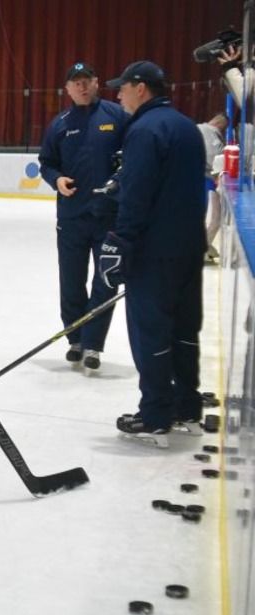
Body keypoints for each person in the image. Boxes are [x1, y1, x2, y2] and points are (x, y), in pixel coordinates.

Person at [99, 61, 207, 446]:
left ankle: (156, 414)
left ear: (141, 88)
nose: (118, 95)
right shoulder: (186, 127)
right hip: (188, 246)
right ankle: (187, 406)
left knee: (151, 332)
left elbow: (138, 194)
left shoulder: (144, 130)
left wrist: (118, 242)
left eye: (123, 88)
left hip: (154, 252)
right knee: (183, 329)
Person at [37, 62, 127, 373]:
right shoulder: (59, 124)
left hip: (109, 217)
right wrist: (56, 179)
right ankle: (75, 339)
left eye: (86, 80)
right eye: (75, 83)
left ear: (96, 82)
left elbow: (133, 155)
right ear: (67, 89)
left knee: (105, 281)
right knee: (71, 281)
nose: (82, 87)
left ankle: (94, 344)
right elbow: (46, 162)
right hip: (72, 217)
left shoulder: (117, 117)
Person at [197, 113, 228, 263]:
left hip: (193, 178)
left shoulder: (197, 128)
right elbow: (214, 158)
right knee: (212, 217)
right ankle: (201, 249)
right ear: (220, 125)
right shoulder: (211, 132)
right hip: (205, 179)